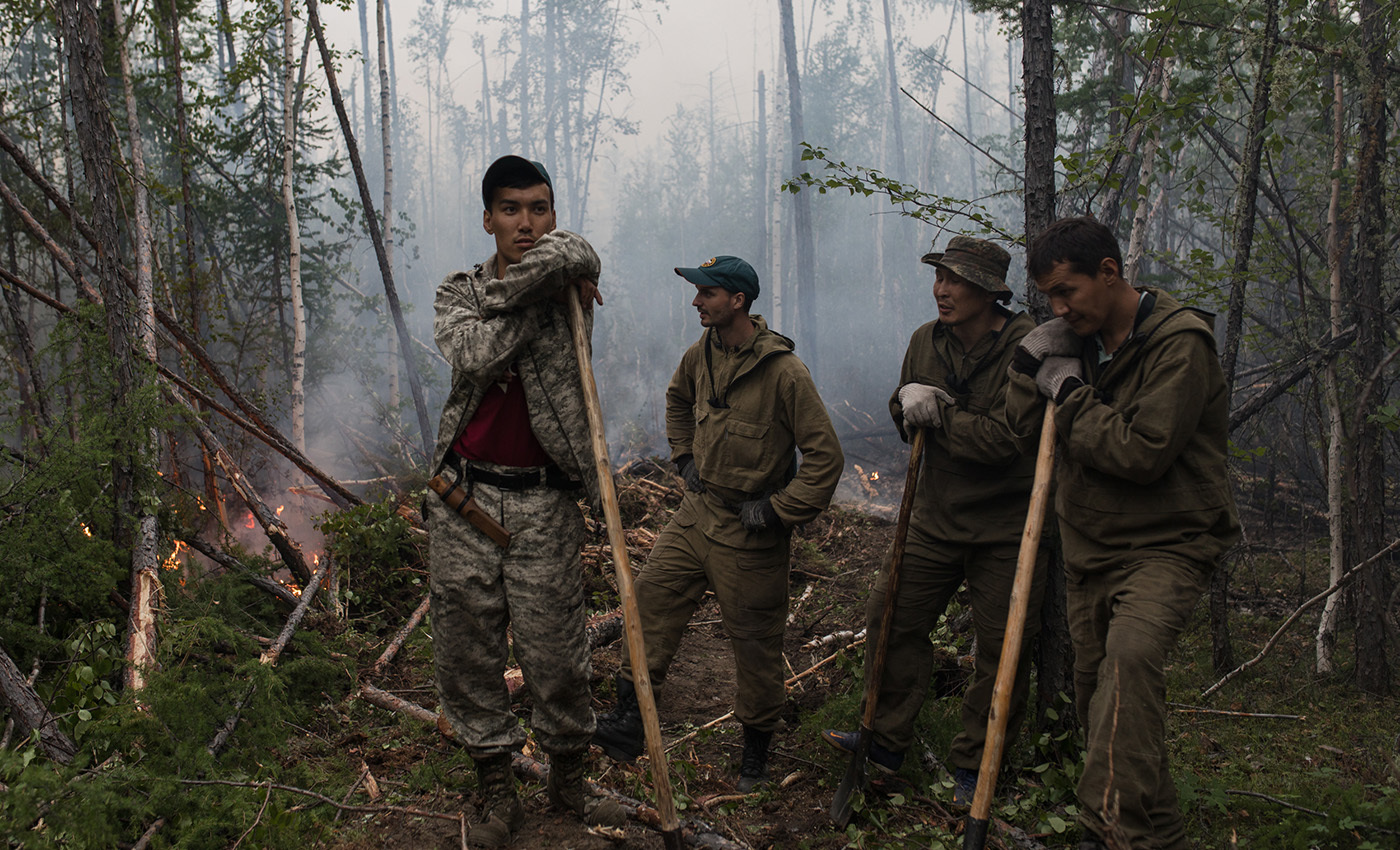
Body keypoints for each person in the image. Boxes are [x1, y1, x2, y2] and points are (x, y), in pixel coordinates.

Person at [1004, 216, 1240, 850]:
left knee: (1129, 669)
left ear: (1109, 273)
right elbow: (1022, 431)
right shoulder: (1073, 340)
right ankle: (1159, 836)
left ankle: (1106, 834)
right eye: (1048, 298)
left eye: (1067, 292)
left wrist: (1072, 392)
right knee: (1101, 705)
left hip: (1168, 544)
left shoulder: (1179, 343)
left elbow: (1143, 450)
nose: (1058, 308)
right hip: (1089, 548)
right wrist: (1029, 365)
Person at [427, 154, 625, 848]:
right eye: (510, 209)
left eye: (539, 208)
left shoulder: (568, 268)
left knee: (557, 657)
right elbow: (475, 353)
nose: (526, 222)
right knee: (467, 653)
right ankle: (495, 794)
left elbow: (584, 249)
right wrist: (533, 295)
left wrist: (545, 279)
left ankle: (568, 795)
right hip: (464, 498)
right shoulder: (459, 291)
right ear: (488, 219)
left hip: (544, 502)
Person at [592, 255, 844, 791]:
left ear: (738, 301)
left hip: (752, 533)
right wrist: (683, 458)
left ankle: (755, 750)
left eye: (706, 293)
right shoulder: (701, 353)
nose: (696, 301)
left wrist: (777, 511)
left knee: (754, 644)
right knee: (650, 603)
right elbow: (678, 399)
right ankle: (629, 721)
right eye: (697, 291)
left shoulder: (784, 372)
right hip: (696, 515)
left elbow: (825, 458)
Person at [821, 236, 1046, 806]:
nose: (942, 291)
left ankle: (977, 761)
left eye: (957, 281)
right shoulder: (927, 340)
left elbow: (1009, 440)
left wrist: (942, 415)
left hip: (1005, 528)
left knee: (1001, 650)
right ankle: (885, 740)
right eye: (939, 278)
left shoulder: (1025, 346)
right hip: (933, 515)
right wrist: (908, 405)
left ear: (990, 293)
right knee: (890, 618)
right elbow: (905, 410)